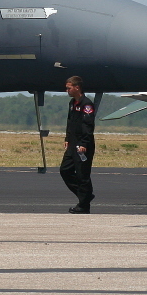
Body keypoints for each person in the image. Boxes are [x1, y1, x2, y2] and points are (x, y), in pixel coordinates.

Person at [60, 75, 95, 213]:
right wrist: (67, 138)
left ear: (77, 87)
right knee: (65, 170)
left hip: (83, 145)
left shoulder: (86, 104)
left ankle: (84, 205)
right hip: (72, 142)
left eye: (69, 88)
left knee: (82, 175)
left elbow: (88, 125)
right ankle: (85, 195)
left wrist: (84, 143)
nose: (67, 91)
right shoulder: (72, 103)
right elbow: (70, 123)